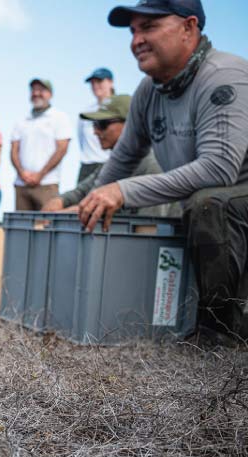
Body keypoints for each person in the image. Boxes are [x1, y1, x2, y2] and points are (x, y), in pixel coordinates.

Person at [78, 0, 248, 343]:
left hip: (232, 198)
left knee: (209, 202)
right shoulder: (149, 90)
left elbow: (219, 167)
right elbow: (122, 160)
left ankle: (221, 332)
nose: (136, 40)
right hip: (216, 204)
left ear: (189, 27)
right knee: (203, 203)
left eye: (149, 27)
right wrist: (87, 201)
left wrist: (124, 191)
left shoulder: (223, 77)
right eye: (133, 30)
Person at [44, 95, 173, 215]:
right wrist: (60, 201)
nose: (95, 131)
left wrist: (78, 212)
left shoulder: (154, 166)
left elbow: (149, 231)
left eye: (102, 124)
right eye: (94, 124)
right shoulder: (114, 163)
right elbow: (84, 190)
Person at [10, 78, 72, 211]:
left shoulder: (59, 117)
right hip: (21, 184)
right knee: (21, 228)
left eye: (41, 90)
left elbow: (62, 149)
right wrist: (22, 172)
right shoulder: (21, 120)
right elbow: (14, 150)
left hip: (47, 183)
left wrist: (41, 174)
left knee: (46, 226)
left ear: (50, 94)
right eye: (33, 90)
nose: (36, 93)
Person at [78, 68, 116, 182]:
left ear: (110, 82)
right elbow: (82, 140)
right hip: (87, 166)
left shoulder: (120, 108)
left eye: (99, 81)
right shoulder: (86, 112)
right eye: (92, 83)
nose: (95, 85)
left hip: (110, 164)